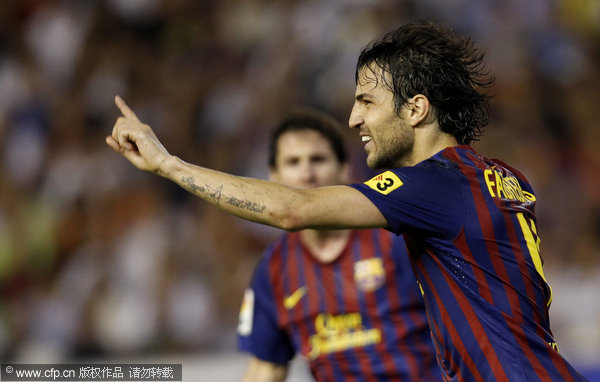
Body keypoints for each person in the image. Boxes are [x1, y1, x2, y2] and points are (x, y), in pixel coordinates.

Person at [107, 21, 587, 381]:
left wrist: (170, 165)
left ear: (416, 108)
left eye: (367, 101)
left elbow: (292, 210)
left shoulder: (434, 186)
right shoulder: (496, 177)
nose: (355, 118)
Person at [236, 109, 441, 381]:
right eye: (293, 162)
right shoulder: (274, 265)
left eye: (318, 160)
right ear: (274, 176)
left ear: (345, 169)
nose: (307, 174)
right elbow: (266, 367)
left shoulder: (396, 238)